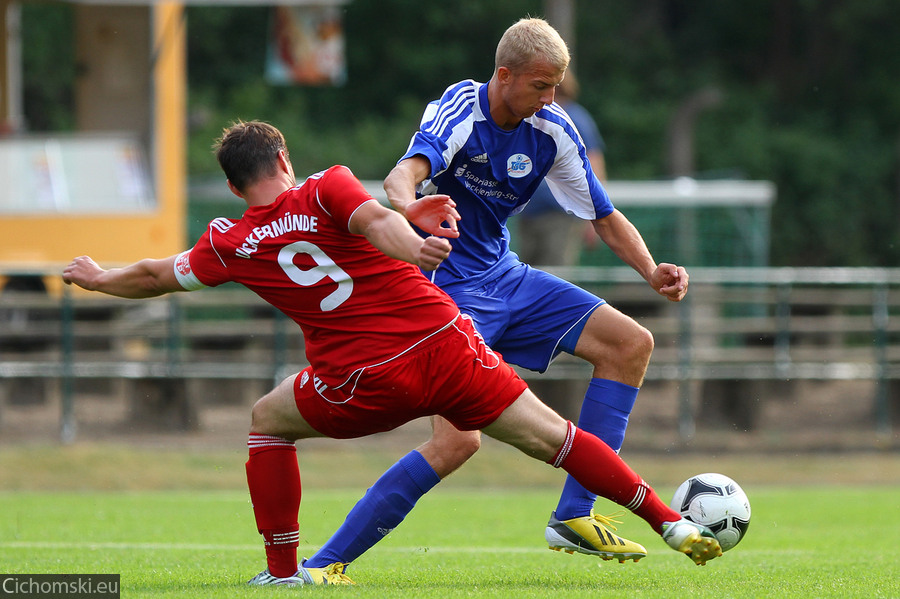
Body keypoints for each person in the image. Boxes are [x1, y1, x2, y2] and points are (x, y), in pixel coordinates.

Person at [63, 120, 719, 586]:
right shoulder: (326, 186)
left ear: (236, 187)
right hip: (448, 343)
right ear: (284, 160)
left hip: (364, 381)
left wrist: (97, 278)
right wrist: (416, 240)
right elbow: (378, 222)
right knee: (557, 436)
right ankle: (669, 522)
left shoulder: (228, 240)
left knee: (268, 419)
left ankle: (287, 572)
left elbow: (154, 274)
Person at [304, 17, 689, 570]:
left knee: (630, 343)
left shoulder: (553, 129)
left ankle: (575, 514)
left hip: (506, 276)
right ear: (504, 76)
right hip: (448, 295)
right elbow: (399, 178)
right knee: (458, 443)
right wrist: (410, 211)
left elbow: (603, 217)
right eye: (541, 85)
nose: (552, 98)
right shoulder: (461, 110)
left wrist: (651, 271)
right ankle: (324, 565)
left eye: (557, 85)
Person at [516, 68, 606, 267]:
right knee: (524, 274)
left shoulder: (575, 117)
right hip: (529, 212)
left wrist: (594, 220)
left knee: (554, 274)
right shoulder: (531, 116)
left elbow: (594, 163)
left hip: (561, 214)